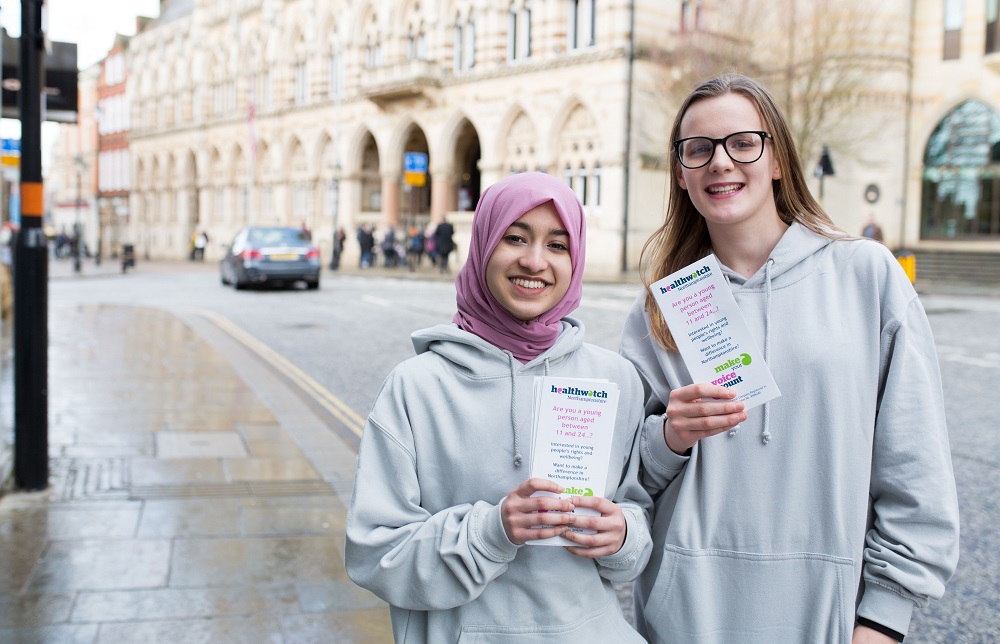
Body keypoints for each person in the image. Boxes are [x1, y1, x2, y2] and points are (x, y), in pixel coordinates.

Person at [619, 74, 959, 644]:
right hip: (687, 620)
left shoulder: (867, 275)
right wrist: (670, 438)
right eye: (697, 149)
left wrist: (883, 619)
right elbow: (625, 483)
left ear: (777, 158)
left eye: (742, 142)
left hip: (826, 617)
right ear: (680, 174)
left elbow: (915, 465)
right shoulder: (659, 308)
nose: (720, 163)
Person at [346, 172, 653, 643]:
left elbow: (635, 529)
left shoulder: (615, 379)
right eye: (515, 238)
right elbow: (375, 554)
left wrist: (623, 535)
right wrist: (491, 532)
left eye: (557, 245)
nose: (534, 262)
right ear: (483, 244)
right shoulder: (416, 387)